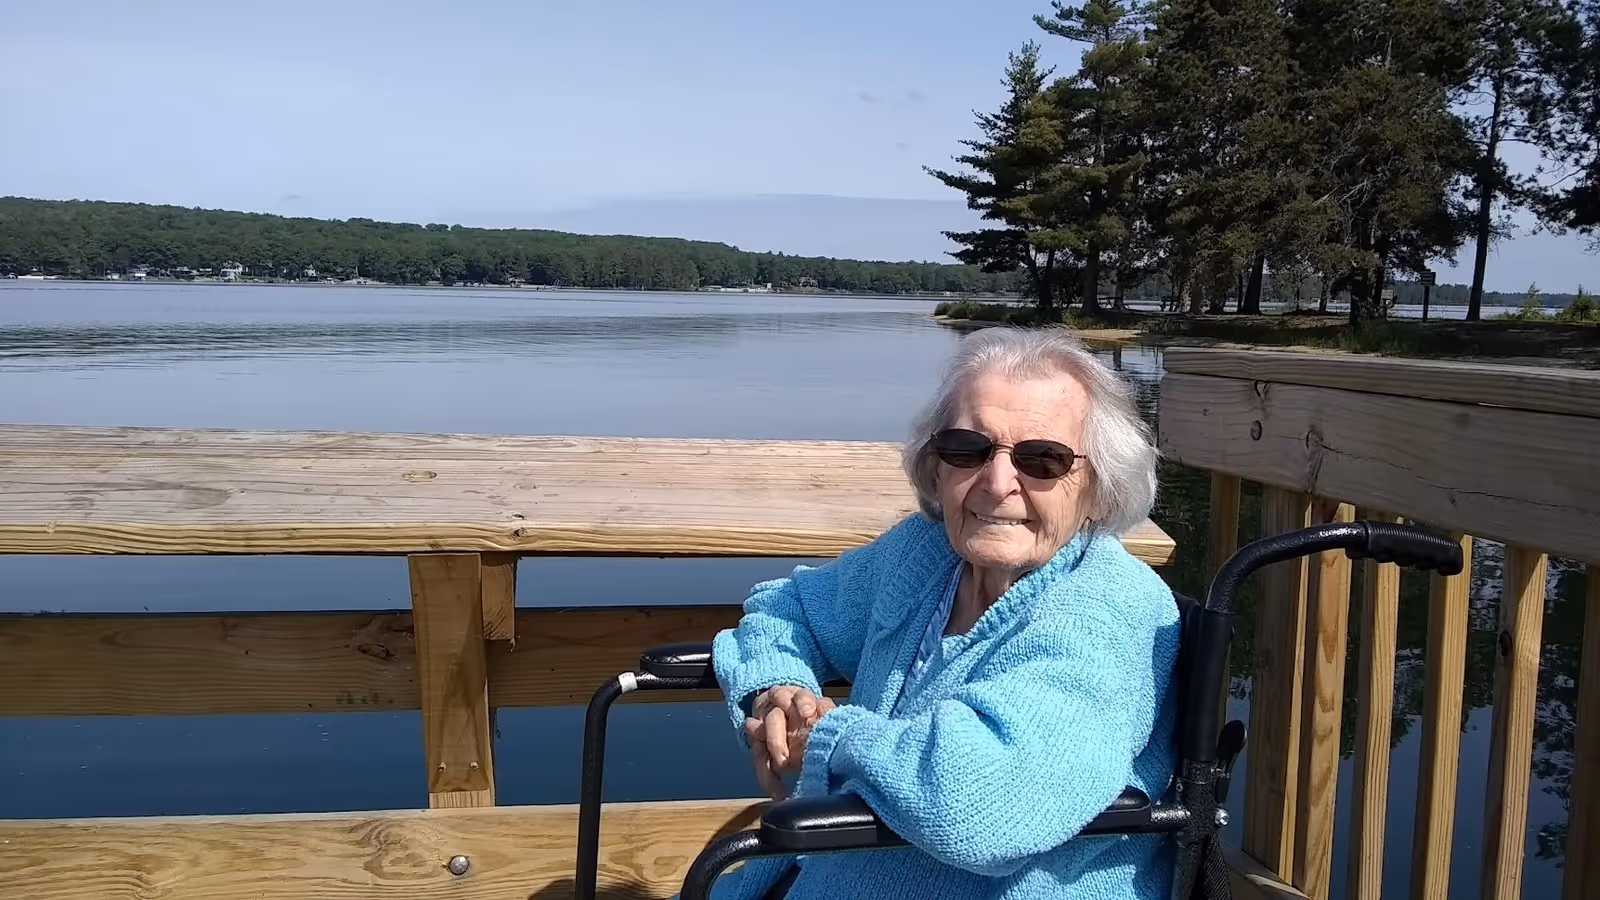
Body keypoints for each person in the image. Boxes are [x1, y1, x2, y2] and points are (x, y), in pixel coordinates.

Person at [709, 326, 1181, 900]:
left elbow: (981, 803)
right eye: (967, 449)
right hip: (822, 874)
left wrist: (830, 737)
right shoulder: (925, 555)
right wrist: (776, 688)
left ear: (1099, 488)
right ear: (936, 467)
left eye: (1043, 460)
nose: (996, 483)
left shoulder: (1109, 609)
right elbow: (788, 609)